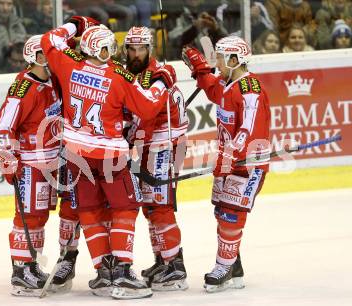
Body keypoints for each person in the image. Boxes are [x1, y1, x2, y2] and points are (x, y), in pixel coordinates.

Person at [40, 17, 177, 299]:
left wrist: (74, 25)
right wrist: (163, 81)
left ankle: (104, 273)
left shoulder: (68, 65)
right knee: (125, 208)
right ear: (101, 51)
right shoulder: (118, 76)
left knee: (89, 212)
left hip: (76, 155)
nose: (113, 52)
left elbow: (48, 41)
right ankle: (123, 273)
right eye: (109, 48)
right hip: (109, 157)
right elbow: (149, 107)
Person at [182, 36, 271, 293]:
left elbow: (248, 129)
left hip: (248, 163)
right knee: (222, 211)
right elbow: (213, 89)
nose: (216, 62)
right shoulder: (227, 82)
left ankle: (223, 266)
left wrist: (230, 155)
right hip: (228, 161)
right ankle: (235, 265)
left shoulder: (250, 90)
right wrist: (200, 69)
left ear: (234, 60)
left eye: (219, 58)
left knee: (232, 214)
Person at [0, 34, 62, 297]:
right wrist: (9, 162)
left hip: (50, 161)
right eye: (49, 53)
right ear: (39, 57)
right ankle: (20, 272)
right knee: (28, 217)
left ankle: (31, 265)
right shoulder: (23, 88)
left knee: (40, 217)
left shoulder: (53, 81)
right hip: (31, 164)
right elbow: (2, 127)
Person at [122, 26, 189, 292]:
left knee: (160, 206)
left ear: (150, 49)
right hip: (151, 146)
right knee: (150, 207)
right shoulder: (133, 73)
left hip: (163, 146)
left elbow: (145, 118)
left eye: (141, 49)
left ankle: (175, 266)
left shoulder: (157, 75)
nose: (136, 54)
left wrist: (129, 140)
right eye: (131, 49)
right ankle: (162, 259)